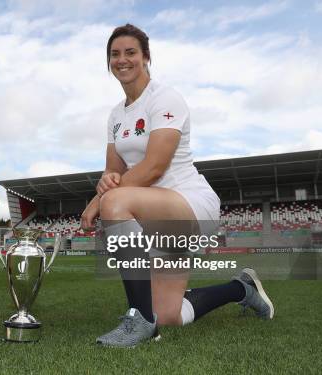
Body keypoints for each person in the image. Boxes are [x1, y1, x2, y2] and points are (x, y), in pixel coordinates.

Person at [80, 24, 274, 348]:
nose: (122, 60)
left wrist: (97, 202)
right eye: (115, 54)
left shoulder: (165, 98)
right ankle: (242, 288)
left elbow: (155, 166)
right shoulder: (116, 114)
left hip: (189, 203)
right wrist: (103, 186)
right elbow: (114, 170)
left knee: (114, 204)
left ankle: (140, 323)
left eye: (130, 52)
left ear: (146, 57)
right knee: (170, 314)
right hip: (153, 214)